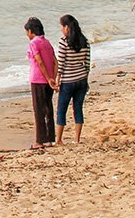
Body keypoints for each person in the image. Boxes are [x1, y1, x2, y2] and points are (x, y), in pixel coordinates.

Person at [52, 14, 91, 145]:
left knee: (62, 109)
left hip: (68, 80)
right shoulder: (84, 41)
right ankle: (77, 139)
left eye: (62, 26)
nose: (61, 29)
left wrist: (57, 81)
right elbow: (87, 63)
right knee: (78, 108)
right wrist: (85, 79)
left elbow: (61, 64)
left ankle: (58, 139)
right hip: (81, 79)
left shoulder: (64, 41)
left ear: (67, 27)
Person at [24, 17, 57, 149]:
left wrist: (48, 77)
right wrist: (52, 78)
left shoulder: (33, 43)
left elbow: (39, 61)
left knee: (39, 110)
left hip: (38, 79)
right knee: (48, 108)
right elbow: (56, 62)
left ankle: (40, 140)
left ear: (31, 31)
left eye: (27, 32)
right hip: (48, 81)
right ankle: (50, 139)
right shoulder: (47, 42)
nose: (27, 35)